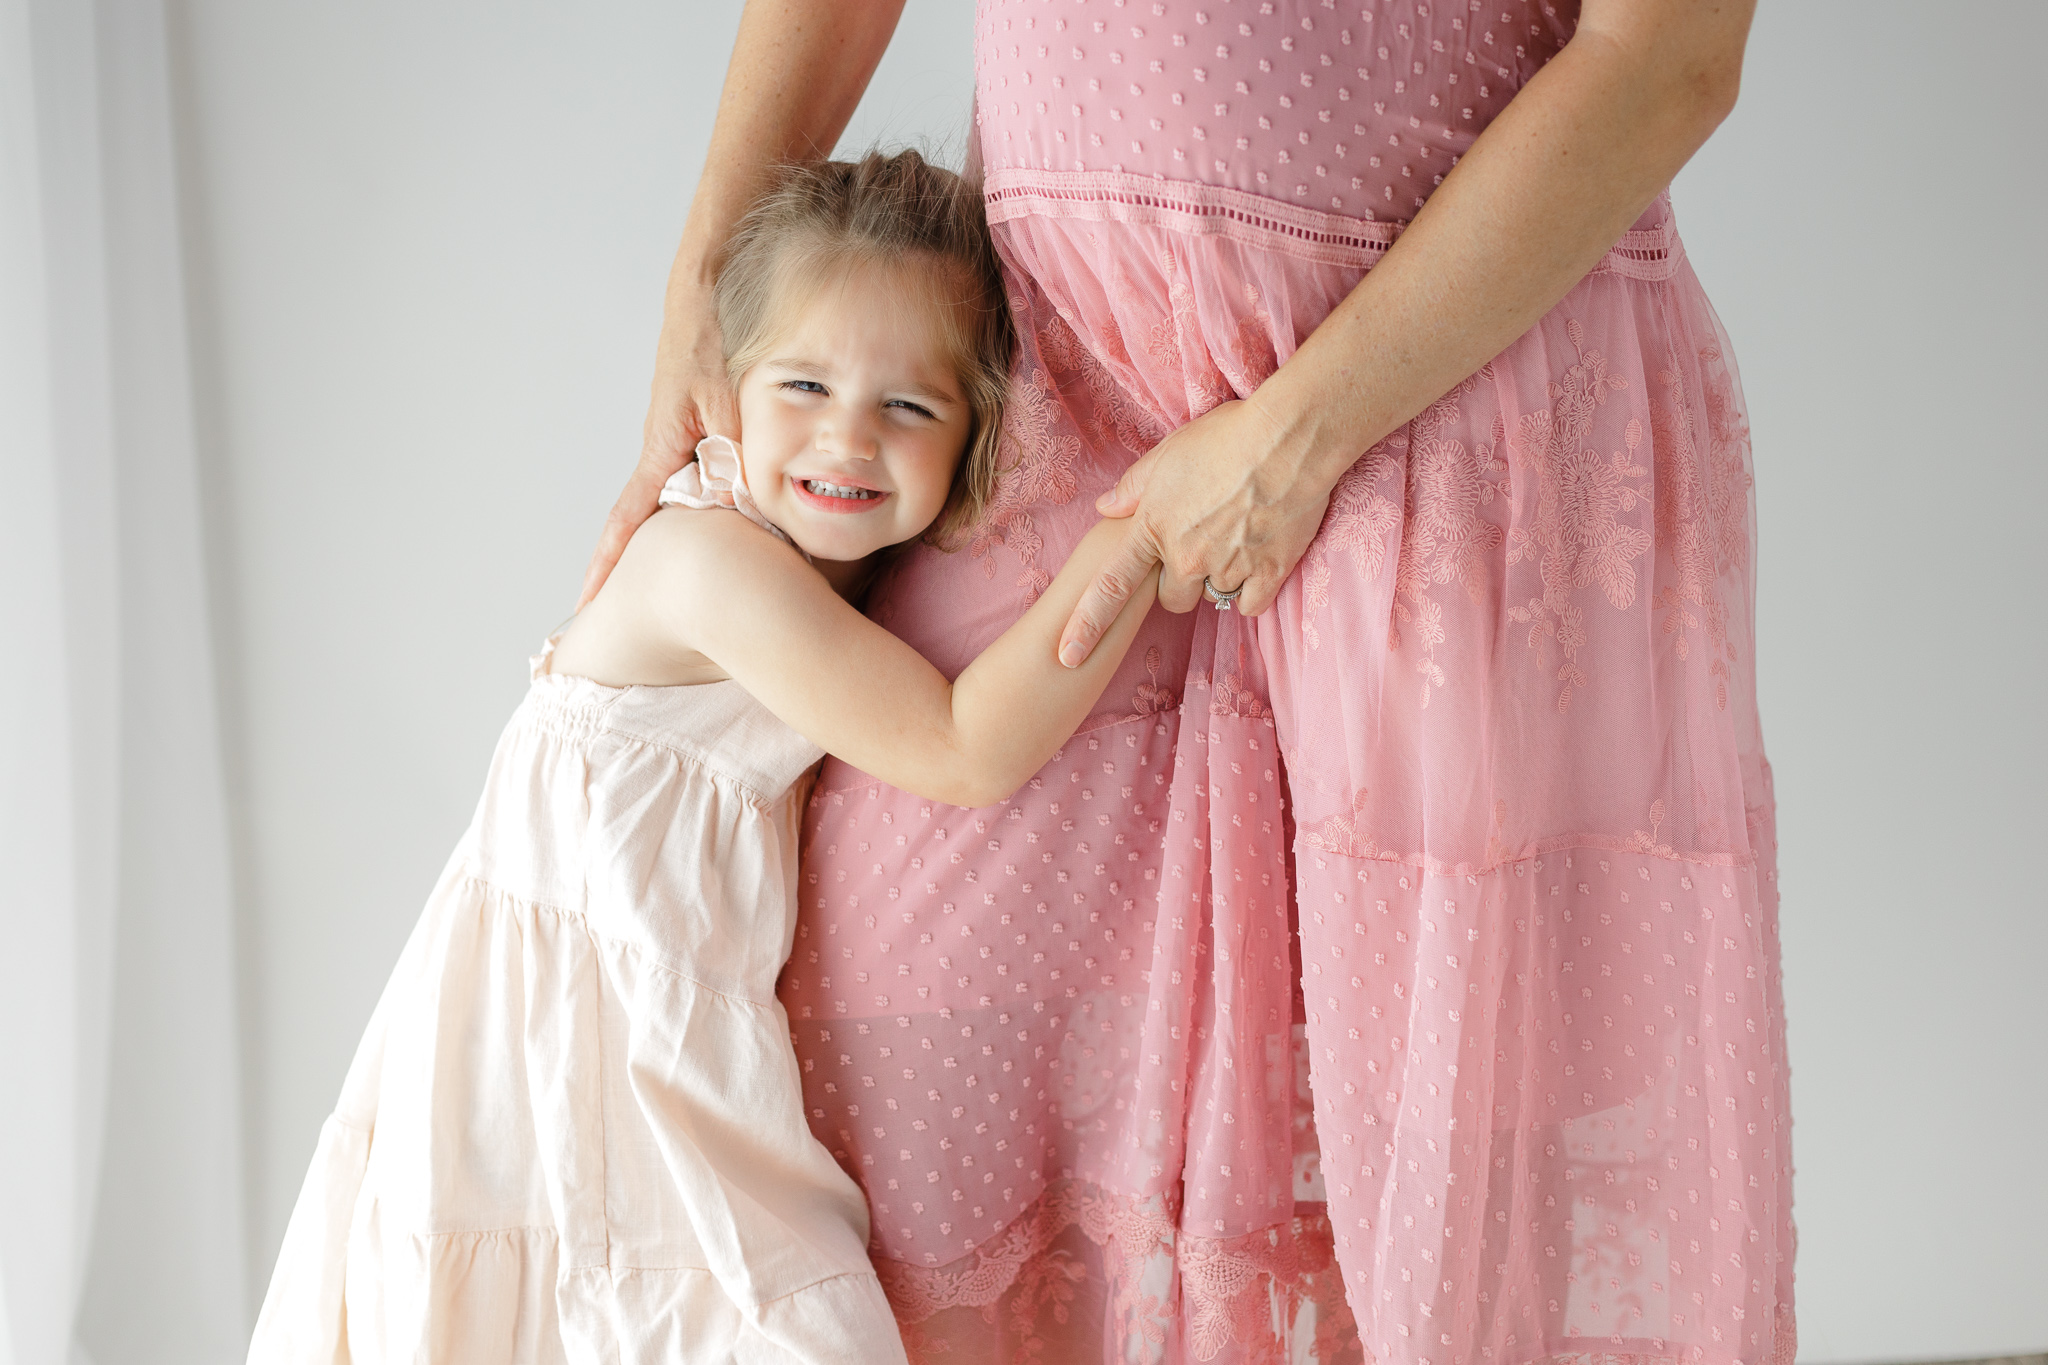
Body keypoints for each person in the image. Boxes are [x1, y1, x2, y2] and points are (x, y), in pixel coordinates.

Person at [583, 1, 1792, 1362]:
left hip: (1453, 393)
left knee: (1435, 1120)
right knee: (890, 1034)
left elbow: (1670, 55)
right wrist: (707, 291)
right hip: (1043, 378)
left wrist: (1302, 432)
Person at [246, 150, 1158, 1365]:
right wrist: (1148, 526)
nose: (848, 440)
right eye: (802, 384)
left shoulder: (825, 559)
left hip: (640, 1014)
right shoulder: (708, 564)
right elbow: (958, 745)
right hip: (572, 1040)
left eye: (909, 408)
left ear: (970, 432)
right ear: (721, 386)